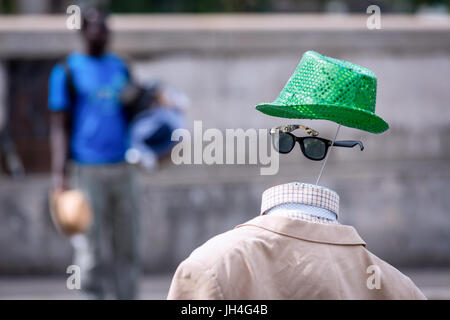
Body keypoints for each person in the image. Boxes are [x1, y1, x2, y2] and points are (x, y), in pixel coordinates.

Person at [167, 51, 426, 300]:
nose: (289, 150)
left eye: (312, 145)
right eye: (284, 139)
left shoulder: (209, 268)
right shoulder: (400, 290)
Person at [48, 8, 139, 300]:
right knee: (91, 249)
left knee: (127, 245)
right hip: (86, 171)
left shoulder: (120, 67)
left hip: (123, 168)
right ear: (83, 31)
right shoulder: (67, 71)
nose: (102, 33)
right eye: (96, 27)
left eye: (105, 27)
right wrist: (59, 176)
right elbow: (59, 127)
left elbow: (133, 114)